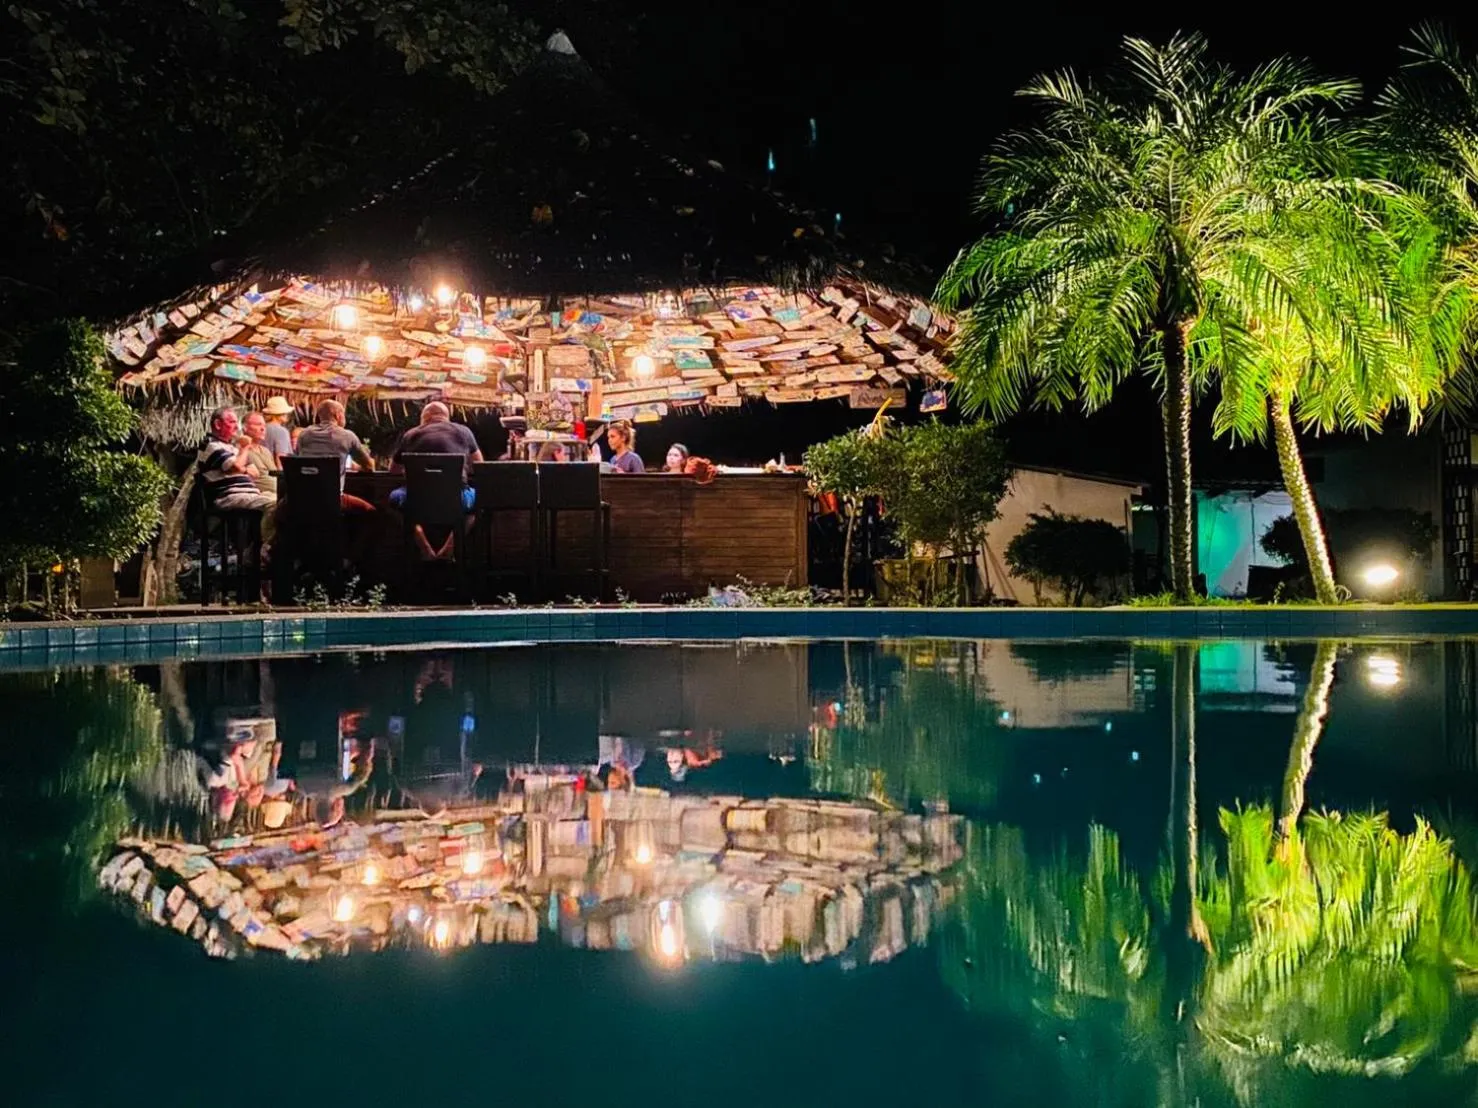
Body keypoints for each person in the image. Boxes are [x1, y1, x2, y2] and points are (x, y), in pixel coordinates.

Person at [390, 401, 483, 560]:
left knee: (393, 500)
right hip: (457, 500)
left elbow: (393, 470)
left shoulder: (410, 434)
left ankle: (423, 546)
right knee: (480, 502)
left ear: (424, 418)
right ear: (446, 417)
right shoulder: (464, 432)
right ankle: (449, 548)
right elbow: (480, 467)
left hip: (416, 501)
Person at [198, 406, 275, 540]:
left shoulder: (231, 448)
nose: (236, 427)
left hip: (247, 494)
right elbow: (237, 466)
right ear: (217, 424)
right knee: (273, 504)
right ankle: (268, 548)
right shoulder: (210, 445)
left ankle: (258, 549)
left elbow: (254, 472)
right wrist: (244, 449)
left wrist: (241, 465)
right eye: (232, 422)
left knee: (286, 502)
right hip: (227, 497)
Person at [294, 399, 376, 512]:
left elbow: (298, 460)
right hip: (332, 499)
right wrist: (360, 467)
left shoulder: (304, 434)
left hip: (302, 498)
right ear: (338, 415)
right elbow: (369, 466)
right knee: (371, 510)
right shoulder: (347, 436)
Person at [241, 412, 278, 496]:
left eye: (264, 426)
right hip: (261, 495)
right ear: (245, 428)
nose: (263, 429)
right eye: (258, 424)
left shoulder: (266, 451)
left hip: (279, 493)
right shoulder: (240, 451)